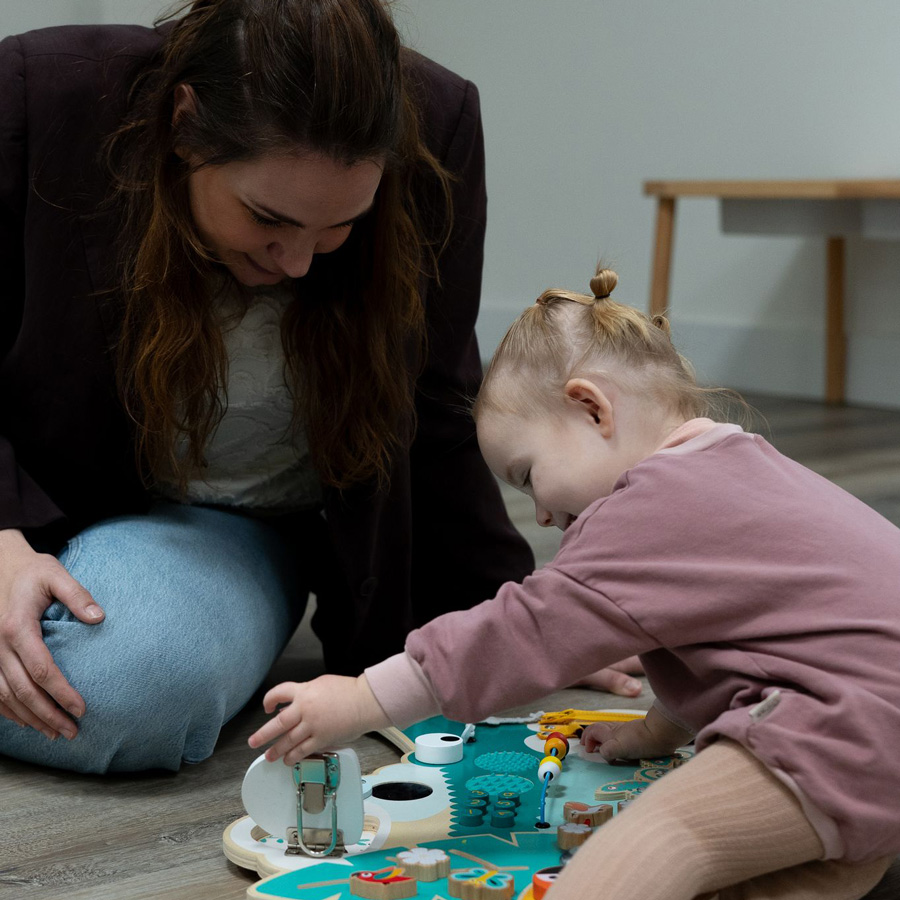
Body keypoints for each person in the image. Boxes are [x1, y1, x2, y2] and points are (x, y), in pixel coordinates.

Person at [0, 0, 546, 775]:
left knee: (126, 686)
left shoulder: (441, 122)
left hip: (229, 531)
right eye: (267, 218)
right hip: (38, 497)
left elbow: (436, 401)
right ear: (185, 124)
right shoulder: (39, 94)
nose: (297, 263)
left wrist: (516, 624)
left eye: (337, 229)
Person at [249, 265, 900, 900]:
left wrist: (363, 698)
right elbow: (733, 647)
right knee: (809, 858)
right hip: (874, 727)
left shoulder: (652, 508)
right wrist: (655, 734)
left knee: (660, 837)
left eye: (528, 474)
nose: (540, 514)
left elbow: (519, 635)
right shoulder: (734, 467)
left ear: (591, 409)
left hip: (854, 723)